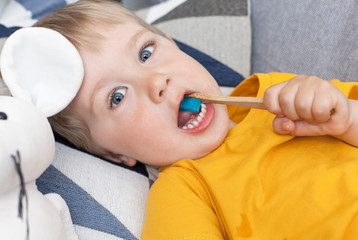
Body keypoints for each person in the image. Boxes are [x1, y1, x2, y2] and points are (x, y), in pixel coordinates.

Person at [34, 0, 358, 239]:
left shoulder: (277, 93)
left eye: (146, 53)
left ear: (175, 47)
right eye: (117, 97)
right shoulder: (182, 192)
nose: (156, 82)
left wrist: (344, 117)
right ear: (115, 155)